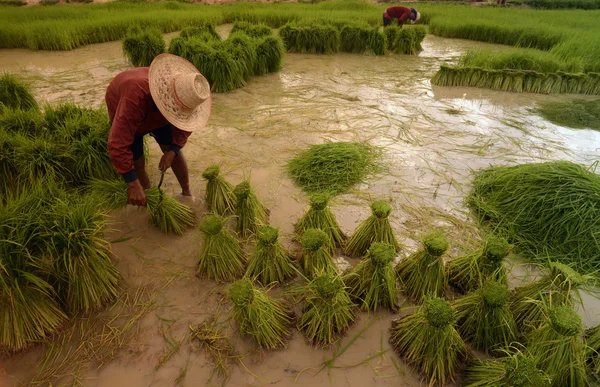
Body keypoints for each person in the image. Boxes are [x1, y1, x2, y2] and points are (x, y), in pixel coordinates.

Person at [105, 53, 212, 206]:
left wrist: (173, 151)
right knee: (138, 162)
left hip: (155, 109)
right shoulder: (134, 100)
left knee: (172, 151)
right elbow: (117, 144)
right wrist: (132, 183)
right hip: (128, 102)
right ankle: (149, 197)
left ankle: (187, 192)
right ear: (167, 103)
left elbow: (186, 125)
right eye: (178, 111)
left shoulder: (183, 96)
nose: (180, 114)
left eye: (181, 112)